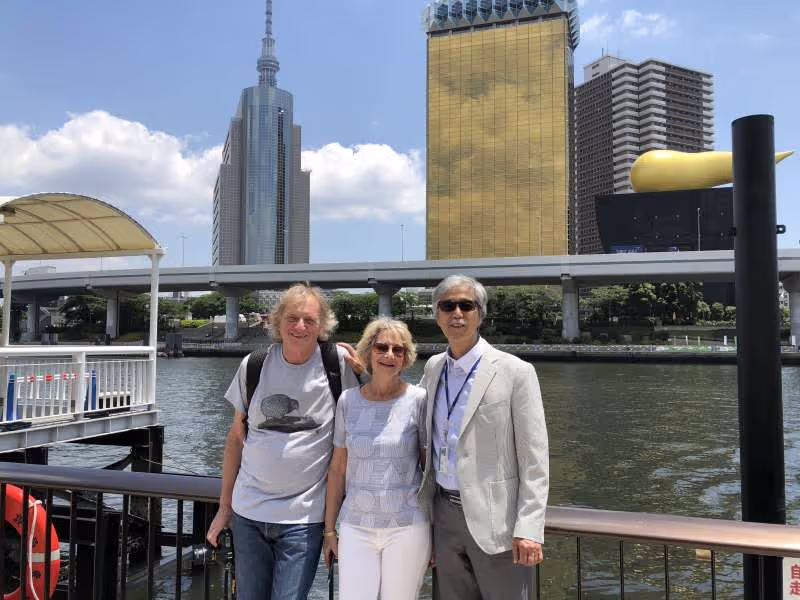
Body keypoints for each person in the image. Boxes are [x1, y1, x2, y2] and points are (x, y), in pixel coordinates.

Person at [206, 283, 361, 600]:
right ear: (277, 322)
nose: (300, 327)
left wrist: (366, 368)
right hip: (248, 514)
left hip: (303, 519)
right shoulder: (254, 364)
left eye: (309, 320)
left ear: (322, 326)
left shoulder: (338, 365)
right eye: (292, 318)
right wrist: (225, 508)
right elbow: (236, 439)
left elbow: (378, 407)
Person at [418, 275, 549, 600]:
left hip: (497, 521)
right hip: (443, 514)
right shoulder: (434, 368)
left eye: (467, 305)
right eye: (448, 306)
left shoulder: (515, 371)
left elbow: (535, 458)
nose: (457, 313)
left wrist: (529, 527)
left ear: (481, 314)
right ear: (437, 315)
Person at [323, 318, 430, 600]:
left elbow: (428, 469)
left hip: (407, 525)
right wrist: (329, 531)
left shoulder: (419, 400)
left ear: (407, 358)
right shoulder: (348, 400)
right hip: (355, 525)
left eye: (399, 349)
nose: (390, 355)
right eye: (382, 347)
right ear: (368, 351)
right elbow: (337, 469)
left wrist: (439, 532)